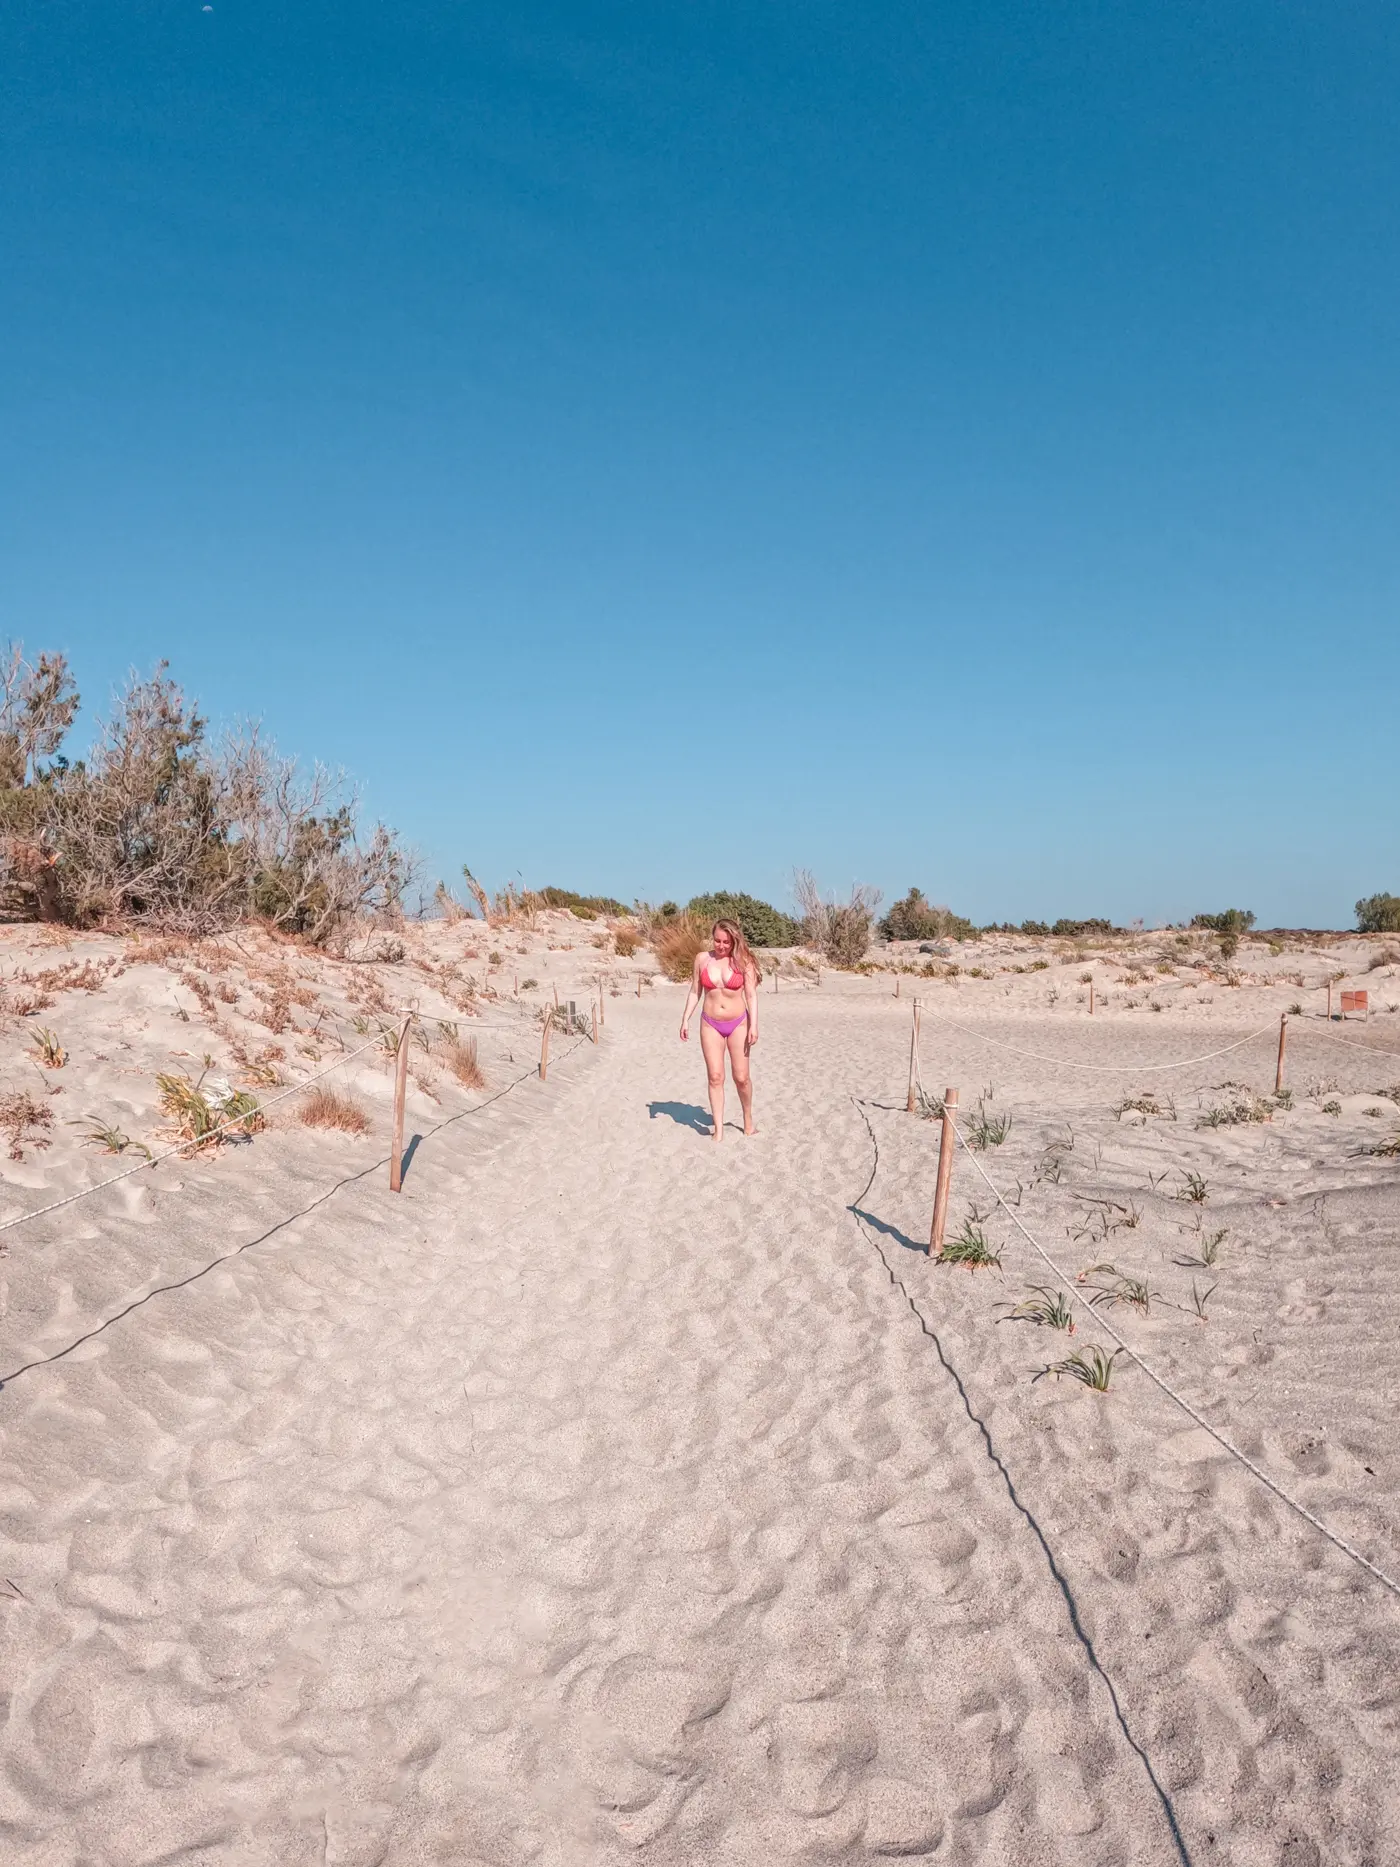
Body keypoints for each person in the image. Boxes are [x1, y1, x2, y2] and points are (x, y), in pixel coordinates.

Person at [680, 918, 759, 1141]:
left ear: (733, 941)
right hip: (710, 1023)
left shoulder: (744, 961)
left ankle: (748, 1120)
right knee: (715, 1076)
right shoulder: (702, 959)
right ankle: (719, 1129)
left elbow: (751, 995)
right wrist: (685, 1019)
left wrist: (754, 1024)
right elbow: (695, 991)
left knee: (741, 1077)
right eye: (717, 941)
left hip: (739, 1023)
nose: (721, 946)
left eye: (726, 942)